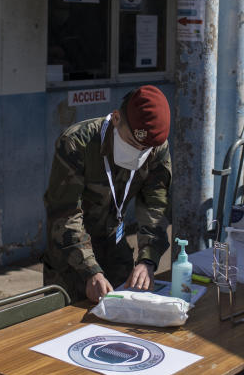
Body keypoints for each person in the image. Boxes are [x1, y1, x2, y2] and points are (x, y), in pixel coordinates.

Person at [42, 85, 172, 303]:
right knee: (66, 325)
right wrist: (91, 271)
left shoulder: (157, 148)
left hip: (115, 247)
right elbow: (64, 214)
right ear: (116, 118)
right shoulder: (77, 143)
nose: (138, 153)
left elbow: (155, 208)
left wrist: (147, 260)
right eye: (132, 142)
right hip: (71, 254)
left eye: (145, 149)